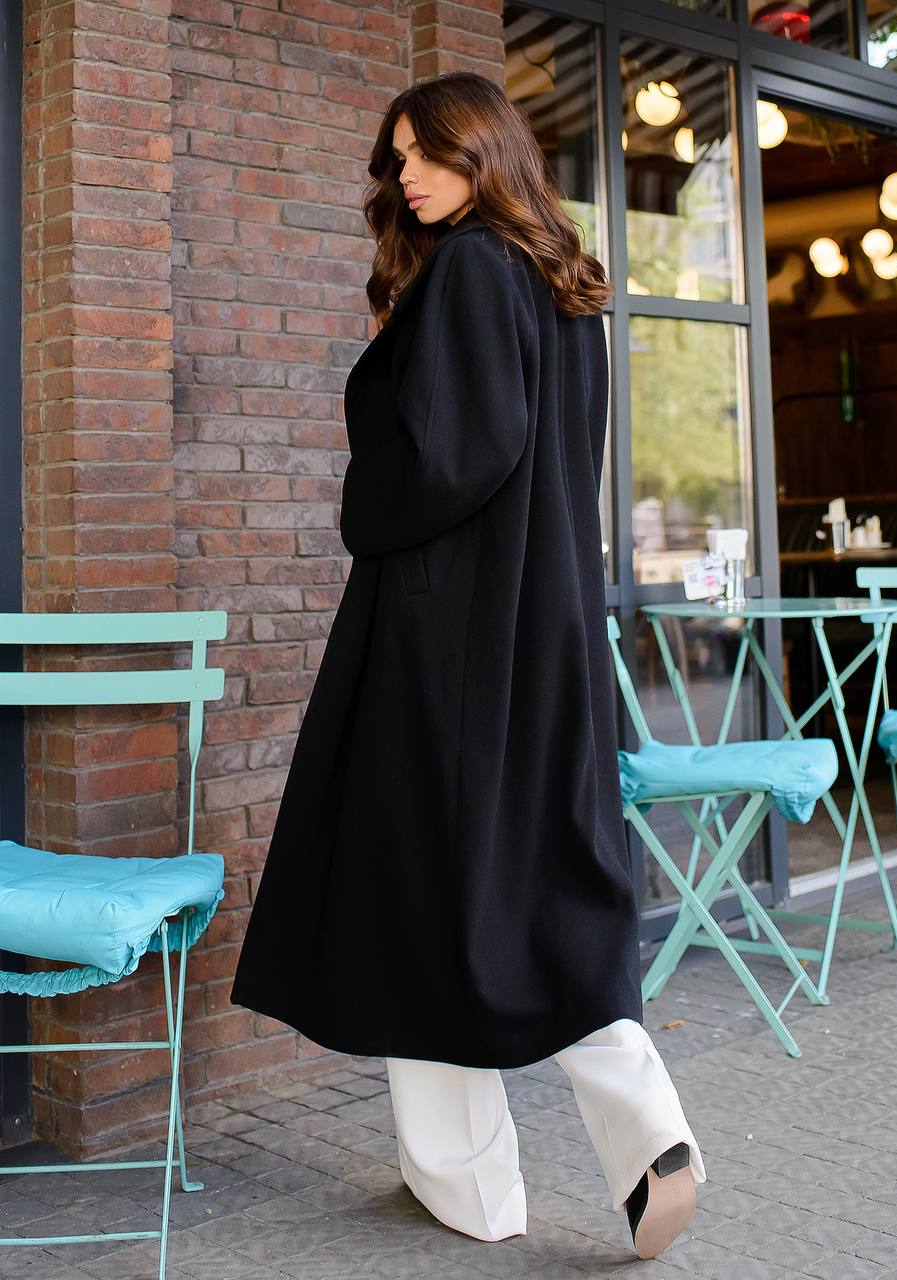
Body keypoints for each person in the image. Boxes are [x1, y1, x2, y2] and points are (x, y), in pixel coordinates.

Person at [229, 69, 706, 1259]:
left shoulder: (470, 275)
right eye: (396, 163)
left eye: (425, 155)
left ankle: (476, 1185)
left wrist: (360, 497)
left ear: (482, 148)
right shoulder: (558, 285)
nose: (406, 180)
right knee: (520, 869)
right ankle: (636, 1130)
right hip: (538, 625)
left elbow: (449, 462)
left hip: (442, 634)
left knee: (415, 878)